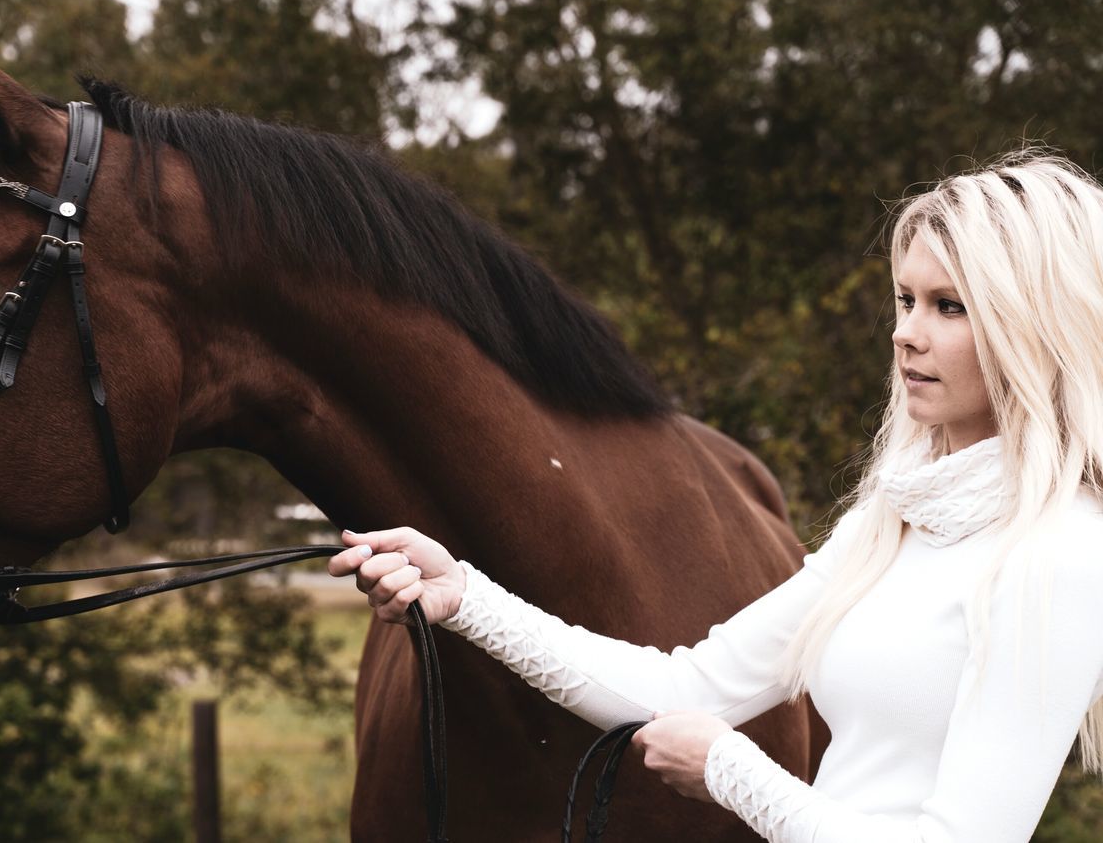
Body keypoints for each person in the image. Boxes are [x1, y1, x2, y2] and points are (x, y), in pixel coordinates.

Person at [329, 151, 1103, 842]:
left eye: (949, 306)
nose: (906, 333)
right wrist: (463, 594)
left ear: (1031, 331)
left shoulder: (1062, 550)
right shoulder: (894, 521)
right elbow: (683, 683)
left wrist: (731, 771)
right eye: (905, 299)